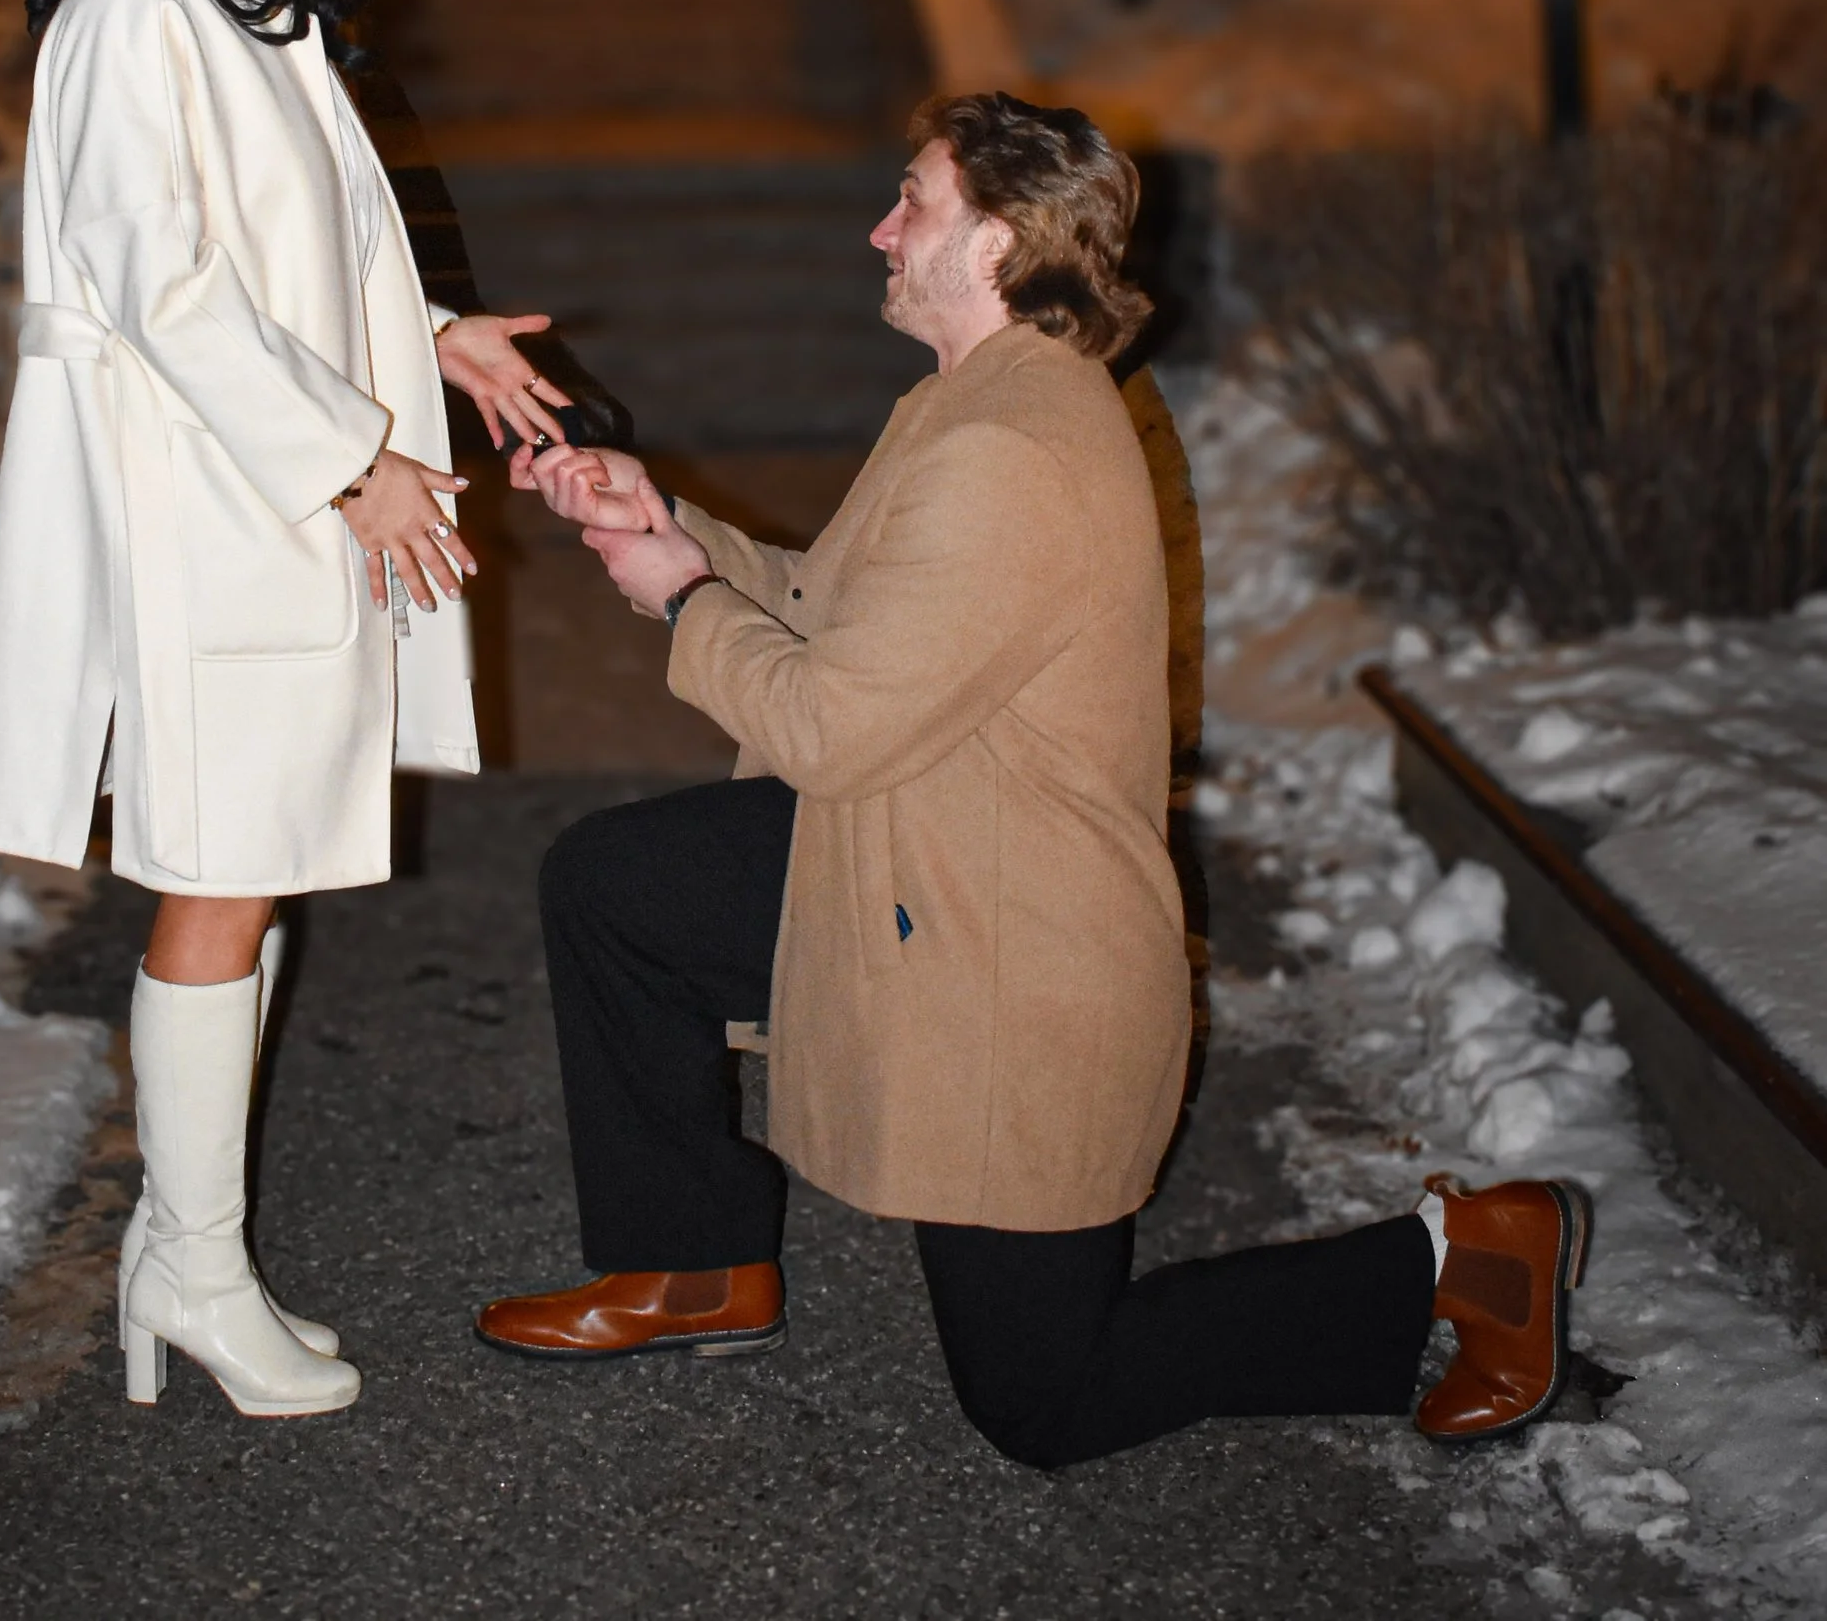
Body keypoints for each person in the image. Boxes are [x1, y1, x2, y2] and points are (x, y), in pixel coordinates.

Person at [477, 91, 1589, 1462]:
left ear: (997, 240)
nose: (882, 229)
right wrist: (666, 530)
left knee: (1044, 1397)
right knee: (617, 885)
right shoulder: (975, 399)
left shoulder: (1007, 446)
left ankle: (1464, 1257)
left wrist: (686, 599)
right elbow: (840, 605)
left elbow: (828, 724)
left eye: (915, 203)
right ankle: (692, 1258)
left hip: (1010, 963)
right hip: (921, 861)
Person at [0, 0, 565, 1420]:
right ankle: (193, 1270)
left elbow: (280, 257)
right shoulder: (138, 7)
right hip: (206, 513)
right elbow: (166, 290)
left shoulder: (225, 7)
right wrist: (356, 459)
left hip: (252, 497)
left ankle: (184, 1249)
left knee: (252, 865)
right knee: (221, 872)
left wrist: (429, 342)